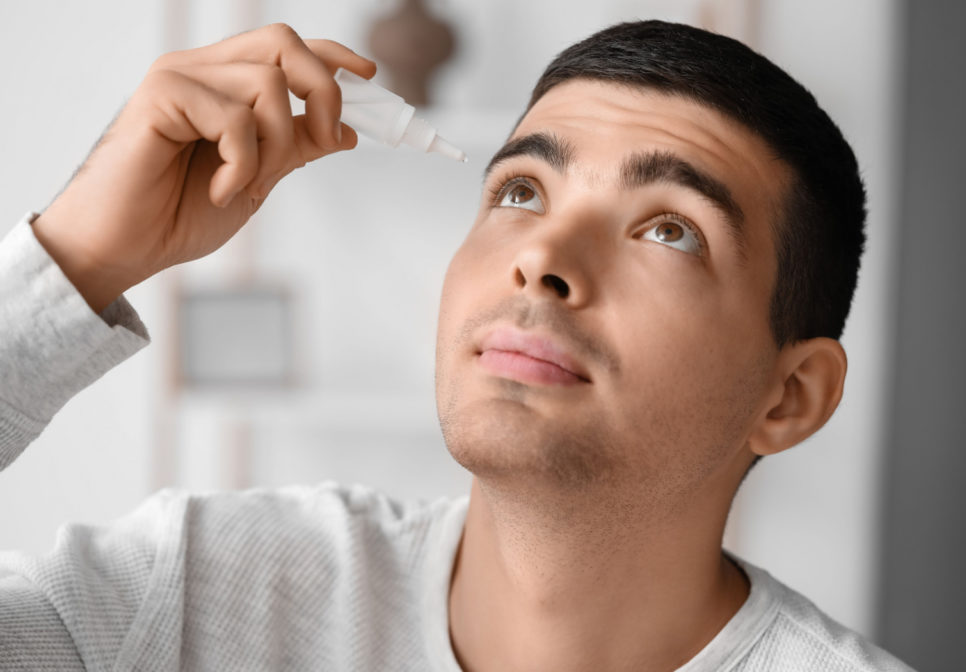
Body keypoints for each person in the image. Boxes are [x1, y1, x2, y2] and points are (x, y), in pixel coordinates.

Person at [0, 19, 912, 672]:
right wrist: (75, 256)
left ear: (788, 397)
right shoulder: (193, 594)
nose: (542, 259)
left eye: (670, 230)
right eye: (521, 192)